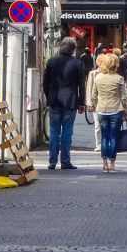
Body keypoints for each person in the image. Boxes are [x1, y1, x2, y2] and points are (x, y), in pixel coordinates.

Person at [44, 38, 87, 170]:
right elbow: (81, 85)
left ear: (61, 47)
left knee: (54, 131)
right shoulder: (77, 63)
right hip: (70, 101)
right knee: (67, 132)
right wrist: (81, 103)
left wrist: (48, 97)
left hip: (55, 101)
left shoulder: (51, 62)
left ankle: (52, 161)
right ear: (73, 49)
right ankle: (65, 161)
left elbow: (45, 83)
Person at [89, 53, 127, 173]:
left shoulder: (98, 77)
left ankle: (104, 163)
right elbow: (123, 97)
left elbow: (93, 95)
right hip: (115, 110)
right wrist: (125, 111)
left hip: (102, 110)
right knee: (113, 138)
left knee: (104, 138)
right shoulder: (119, 78)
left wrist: (97, 106)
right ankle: (112, 164)